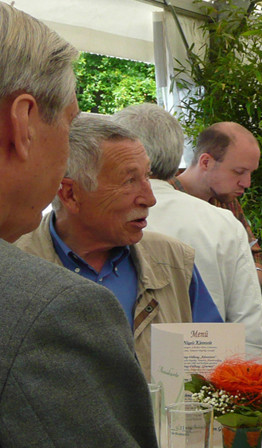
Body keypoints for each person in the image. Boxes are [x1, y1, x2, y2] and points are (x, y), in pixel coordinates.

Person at [0, 4, 157, 446]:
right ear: (23, 123)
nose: (148, 197)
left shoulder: (171, 259)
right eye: (69, 124)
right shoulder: (52, 309)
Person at [16, 115, 223, 380]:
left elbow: (213, 373)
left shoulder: (173, 261)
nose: (149, 198)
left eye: (146, 176)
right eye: (129, 181)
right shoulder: (15, 268)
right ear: (70, 194)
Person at [113, 104, 262, 358]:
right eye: (239, 172)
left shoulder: (101, 221)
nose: (247, 183)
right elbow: (250, 330)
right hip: (203, 368)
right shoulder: (223, 223)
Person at [173, 122, 262, 285]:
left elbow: (252, 251)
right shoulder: (162, 201)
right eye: (239, 172)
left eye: (251, 173)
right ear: (206, 162)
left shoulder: (226, 200)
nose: (247, 183)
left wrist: (254, 275)